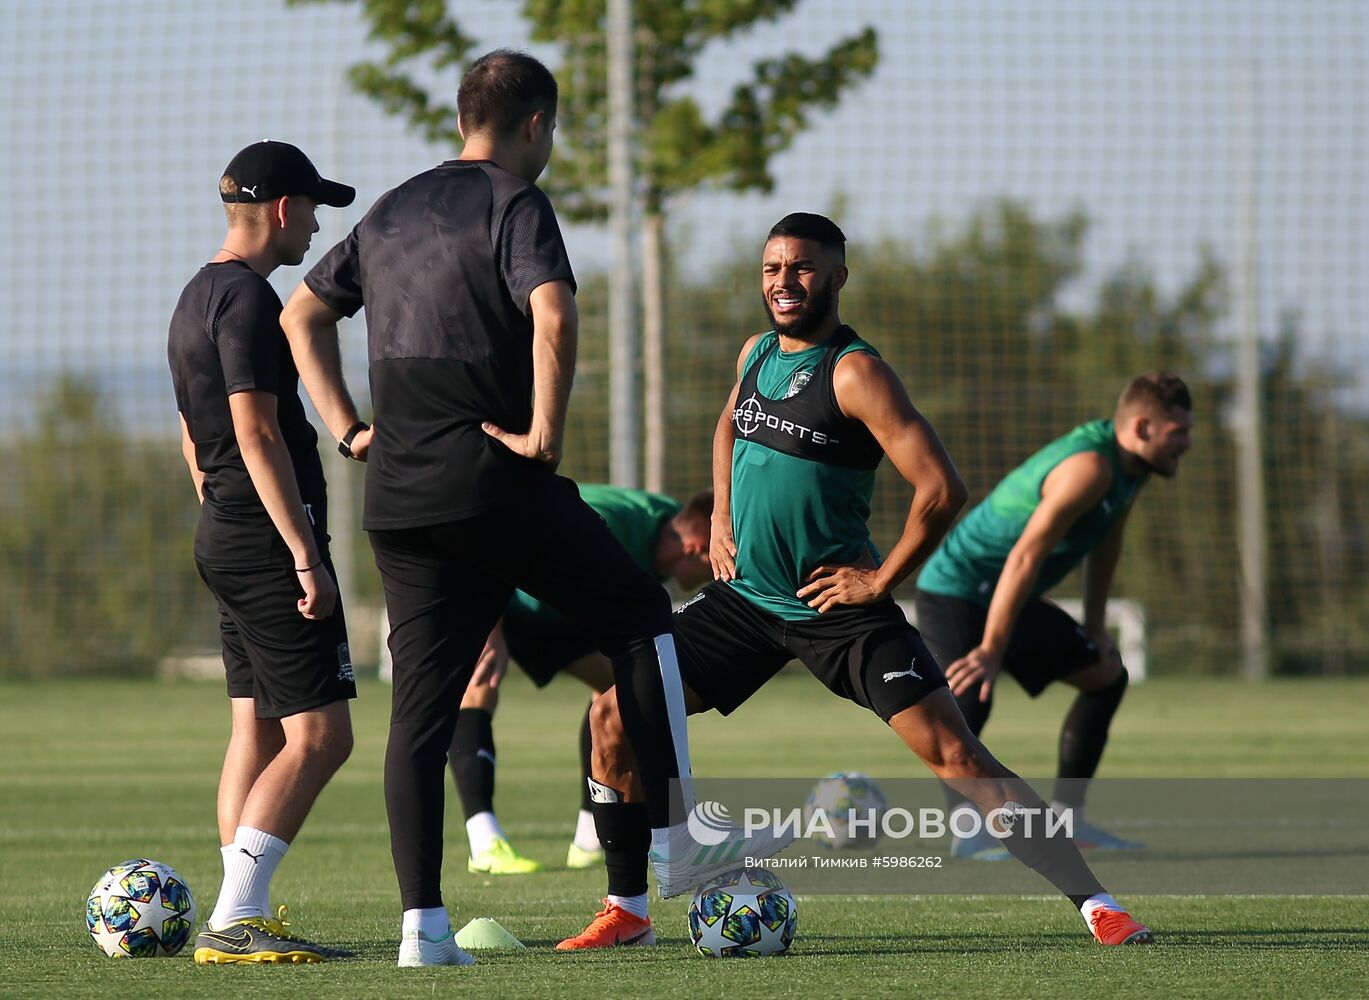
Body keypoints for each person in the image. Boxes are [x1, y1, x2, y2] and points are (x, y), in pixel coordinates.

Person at [280, 50, 776, 968]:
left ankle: (421, 932)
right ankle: (675, 840)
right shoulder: (516, 203)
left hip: (397, 497)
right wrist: (545, 433)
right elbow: (552, 313)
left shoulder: (390, 207)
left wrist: (350, 432)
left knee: (419, 720)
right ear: (536, 124)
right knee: (641, 620)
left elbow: (299, 317)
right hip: (492, 479)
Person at [558, 213, 1153, 951]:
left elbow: (941, 489)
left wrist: (878, 581)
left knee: (958, 756)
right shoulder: (755, 352)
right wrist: (719, 522)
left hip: (835, 610)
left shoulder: (855, 372)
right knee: (612, 716)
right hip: (745, 601)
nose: (783, 281)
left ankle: (1098, 905)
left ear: (838, 276)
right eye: (772, 267)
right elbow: (726, 426)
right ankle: (629, 911)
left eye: (802, 268)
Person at [167, 140, 362, 964]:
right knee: (323, 735)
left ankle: (239, 907)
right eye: (313, 209)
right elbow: (253, 428)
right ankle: (236, 915)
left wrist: (220, 511)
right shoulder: (248, 301)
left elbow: (191, 427)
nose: (316, 226)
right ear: (282, 209)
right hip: (263, 536)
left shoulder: (194, 295)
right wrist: (302, 555)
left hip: (225, 529)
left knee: (257, 722)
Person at [915, 373, 1193, 859]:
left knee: (1106, 675)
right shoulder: (1090, 467)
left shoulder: (1131, 468)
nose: (1187, 444)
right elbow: (1025, 556)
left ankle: (1072, 820)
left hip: (1006, 594)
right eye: (1179, 433)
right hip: (956, 587)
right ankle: (968, 831)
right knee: (967, 697)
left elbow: (1107, 542)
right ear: (1144, 427)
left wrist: (1092, 627)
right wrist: (991, 649)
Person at [451, 485, 714, 876]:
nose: (719, 573)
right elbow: (500, 529)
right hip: (498, 589)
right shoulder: (613, 520)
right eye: (717, 562)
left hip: (558, 609)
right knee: (480, 682)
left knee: (623, 690)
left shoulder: (671, 517)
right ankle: (484, 841)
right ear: (697, 547)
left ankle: (591, 837)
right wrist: (489, 628)